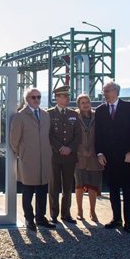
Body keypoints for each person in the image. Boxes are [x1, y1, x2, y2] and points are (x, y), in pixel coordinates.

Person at [95, 81, 130, 234]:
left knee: (127, 190)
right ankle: (116, 219)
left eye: (107, 90)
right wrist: (99, 153)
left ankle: (128, 222)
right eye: (104, 91)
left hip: (126, 156)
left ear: (116, 91)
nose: (105, 93)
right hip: (109, 157)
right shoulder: (100, 111)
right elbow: (98, 135)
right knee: (113, 190)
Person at [9, 87, 55, 231]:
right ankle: (29, 219)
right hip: (28, 159)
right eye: (33, 97)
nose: (36, 100)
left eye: (39, 97)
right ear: (27, 99)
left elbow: (49, 135)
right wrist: (22, 153)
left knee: (43, 189)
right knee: (28, 190)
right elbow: (13, 140)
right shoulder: (20, 116)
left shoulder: (45, 115)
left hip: (44, 159)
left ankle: (41, 218)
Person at [47, 86, 81, 224]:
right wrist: (60, 147)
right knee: (54, 186)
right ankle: (54, 214)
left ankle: (66, 214)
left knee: (68, 186)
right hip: (55, 155)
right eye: (64, 96)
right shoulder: (49, 114)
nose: (67, 98)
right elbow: (48, 134)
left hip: (70, 156)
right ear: (57, 97)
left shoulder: (74, 114)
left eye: (68, 96)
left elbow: (78, 135)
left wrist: (70, 148)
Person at [74, 94, 103, 222]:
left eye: (87, 102)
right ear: (79, 105)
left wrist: (93, 149)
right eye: (82, 103)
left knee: (93, 185)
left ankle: (92, 211)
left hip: (94, 155)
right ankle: (80, 210)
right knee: (79, 185)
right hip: (79, 156)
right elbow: (72, 135)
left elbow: (102, 134)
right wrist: (80, 149)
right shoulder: (75, 117)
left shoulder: (97, 116)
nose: (85, 105)